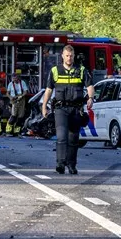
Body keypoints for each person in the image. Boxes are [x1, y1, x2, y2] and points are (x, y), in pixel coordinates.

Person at [41, 45, 94, 174]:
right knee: (61, 137)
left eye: (71, 56)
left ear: (73, 56)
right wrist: (44, 105)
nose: (69, 58)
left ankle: (71, 165)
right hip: (60, 108)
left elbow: (90, 86)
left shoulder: (81, 70)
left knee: (73, 138)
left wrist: (91, 98)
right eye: (67, 56)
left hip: (76, 109)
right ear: (62, 56)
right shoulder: (55, 71)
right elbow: (49, 90)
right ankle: (60, 164)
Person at [5, 69, 30, 136]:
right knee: (13, 115)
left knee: (20, 116)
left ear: (18, 78)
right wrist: (10, 97)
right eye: (13, 78)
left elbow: (25, 91)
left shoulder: (22, 83)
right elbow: (7, 93)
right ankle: (8, 131)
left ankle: (17, 131)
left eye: (15, 78)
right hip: (13, 100)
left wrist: (21, 96)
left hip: (21, 100)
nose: (14, 80)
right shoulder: (10, 84)